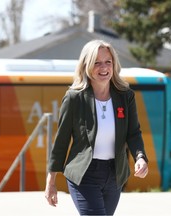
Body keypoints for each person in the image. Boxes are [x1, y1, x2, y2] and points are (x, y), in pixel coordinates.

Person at [45, 39, 148, 215]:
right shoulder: (74, 98)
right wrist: (51, 181)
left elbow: (133, 133)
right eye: (97, 63)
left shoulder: (126, 96)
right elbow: (61, 141)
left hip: (115, 174)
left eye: (108, 62)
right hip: (84, 174)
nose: (104, 68)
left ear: (114, 65)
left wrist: (140, 157)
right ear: (86, 65)